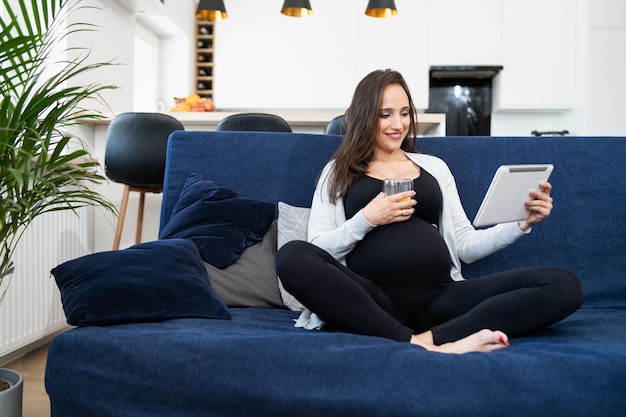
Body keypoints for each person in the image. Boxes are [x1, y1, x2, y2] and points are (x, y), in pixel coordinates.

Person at [275, 69, 583, 354]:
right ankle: (417, 340)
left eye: (405, 112)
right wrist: (367, 220)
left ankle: (428, 340)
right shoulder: (338, 172)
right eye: (385, 115)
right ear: (364, 117)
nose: (398, 124)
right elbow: (317, 250)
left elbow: (465, 245)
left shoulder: (434, 168)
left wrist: (522, 223)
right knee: (291, 256)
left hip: (442, 298)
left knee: (563, 285)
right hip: (373, 301)